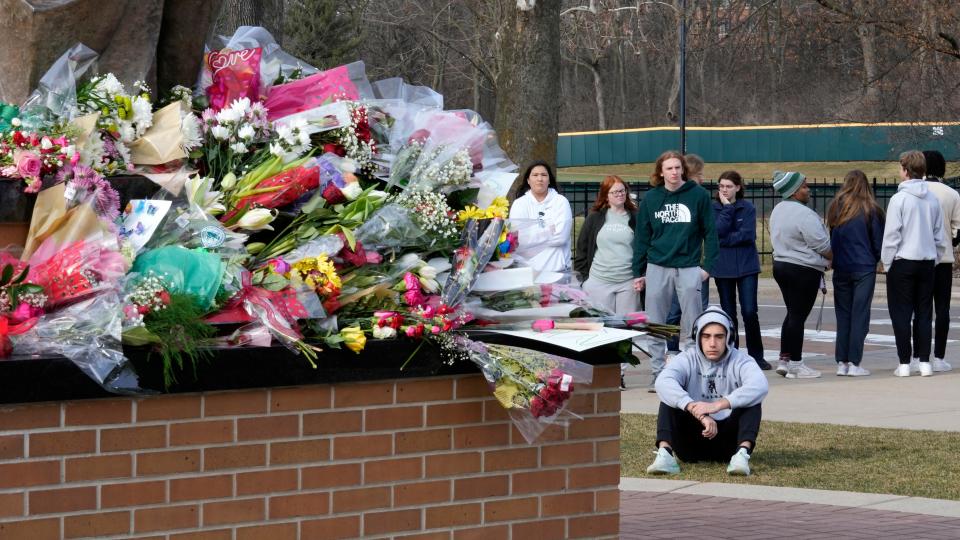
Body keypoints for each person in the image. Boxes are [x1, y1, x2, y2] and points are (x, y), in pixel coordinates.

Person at [645, 308, 768, 476]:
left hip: (728, 445)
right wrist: (697, 411)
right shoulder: (687, 358)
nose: (712, 343)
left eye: (719, 337)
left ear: (729, 338)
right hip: (691, 444)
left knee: (752, 401)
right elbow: (663, 382)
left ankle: (741, 456)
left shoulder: (741, 360)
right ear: (697, 338)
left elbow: (759, 385)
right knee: (669, 399)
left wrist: (717, 405)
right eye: (706, 336)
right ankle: (665, 455)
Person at [633, 150, 718, 391]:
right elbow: (642, 237)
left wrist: (707, 267)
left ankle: (693, 372)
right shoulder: (651, 199)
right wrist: (638, 271)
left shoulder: (698, 195)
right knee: (656, 323)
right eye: (669, 168)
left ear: (683, 169)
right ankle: (659, 373)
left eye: (677, 168)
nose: (674, 172)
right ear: (660, 171)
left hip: (688, 266)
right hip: (657, 266)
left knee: (693, 322)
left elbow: (710, 233)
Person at [882, 150, 945, 377]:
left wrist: (887, 263)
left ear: (906, 171)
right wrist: (935, 258)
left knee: (901, 313)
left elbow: (892, 236)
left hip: (903, 261)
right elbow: (939, 236)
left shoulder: (898, 199)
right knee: (924, 313)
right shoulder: (932, 199)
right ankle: (924, 361)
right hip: (927, 262)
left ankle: (904, 362)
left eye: (901, 168)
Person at [574, 175, 639, 389]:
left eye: (622, 191)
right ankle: (602, 370)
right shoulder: (595, 218)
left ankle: (620, 372)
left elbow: (644, 246)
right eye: (614, 192)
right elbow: (582, 248)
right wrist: (584, 278)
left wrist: (641, 275)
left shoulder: (635, 216)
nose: (619, 195)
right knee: (601, 326)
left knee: (624, 328)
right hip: (599, 280)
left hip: (627, 282)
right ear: (606, 196)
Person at [769, 171, 831, 379]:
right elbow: (820, 244)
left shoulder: (778, 210)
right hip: (803, 269)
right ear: (794, 192)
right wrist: (831, 258)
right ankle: (796, 362)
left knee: (792, 313)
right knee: (798, 316)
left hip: (781, 266)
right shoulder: (805, 214)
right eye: (804, 187)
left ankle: (784, 358)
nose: (808, 190)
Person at [825, 170, 884, 377]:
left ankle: (841, 361)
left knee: (843, 315)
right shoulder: (871, 209)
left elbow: (832, 237)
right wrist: (875, 259)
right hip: (864, 266)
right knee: (860, 315)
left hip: (841, 266)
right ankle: (855, 362)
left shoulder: (835, 207)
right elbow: (878, 242)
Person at [712, 171, 768, 370]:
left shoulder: (748, 207)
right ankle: (731, 354)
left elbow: (748, 235)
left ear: (737, 187)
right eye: (721, 186)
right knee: (728, 313)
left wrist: (727, 240)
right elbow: (716, 232)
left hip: (746, 266)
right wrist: (727, 209)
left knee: (750, 311)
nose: (725, 190)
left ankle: (756, 356)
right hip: (723, 267)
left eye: (728, 186)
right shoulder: (714, 208)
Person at [664, 153, 710, 354]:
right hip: (675, 263)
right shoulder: (677, 199)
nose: (702, 178)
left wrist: (707, 266)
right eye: (699, 174)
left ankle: (695, 348)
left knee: (698, 309)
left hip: (695, 263)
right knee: (673, 311)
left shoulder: (700, 197)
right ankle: (672, 350)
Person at [921, 150, 959, 373]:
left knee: (921, 308)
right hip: (943, 258)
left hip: (919, 256)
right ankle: (940, 356)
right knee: (942, 309)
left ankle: (919, 355)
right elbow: (958, 228)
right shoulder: (951, 194)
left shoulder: (913, 191)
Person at [509, 160, 573, 274]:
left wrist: (531, 232)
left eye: (544, 175)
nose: (540, 179)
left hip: (557, 271)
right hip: (526, 272)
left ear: (549, 180)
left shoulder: (561, 202)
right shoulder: (519, 204)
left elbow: (561, 237)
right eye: (535, 175)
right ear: (528, 180)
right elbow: (519, 239)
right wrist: (549, 230)